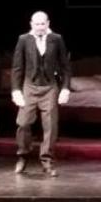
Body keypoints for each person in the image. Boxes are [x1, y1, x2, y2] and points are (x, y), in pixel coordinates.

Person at [11, 11, 71, 177]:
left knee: (50, 125)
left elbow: (65, 66)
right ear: (31, 24)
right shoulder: (24, 39)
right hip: (30, 86)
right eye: (37, 24)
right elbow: (17, 67)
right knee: (23, 123)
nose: (39, 27)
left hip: (49, 87)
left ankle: (47, 161)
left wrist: (65, 88)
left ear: (48, 23)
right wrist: (16, 90)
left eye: (42, 24)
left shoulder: (56, 39)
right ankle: (23, 156)